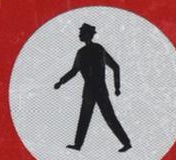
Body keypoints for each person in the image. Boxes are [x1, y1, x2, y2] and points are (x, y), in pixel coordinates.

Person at [53, 23, 132, 152]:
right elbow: (74, 71)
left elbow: (115, 67)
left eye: (81, 33)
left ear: (88, 34)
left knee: (107, 117)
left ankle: (126, 143)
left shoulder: (96, 49)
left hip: (97, 90)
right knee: (86, 117)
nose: (79, 35)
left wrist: (117, 87)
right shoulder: (83, 52)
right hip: (93, 90)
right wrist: (61, 82)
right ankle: (78, 145)